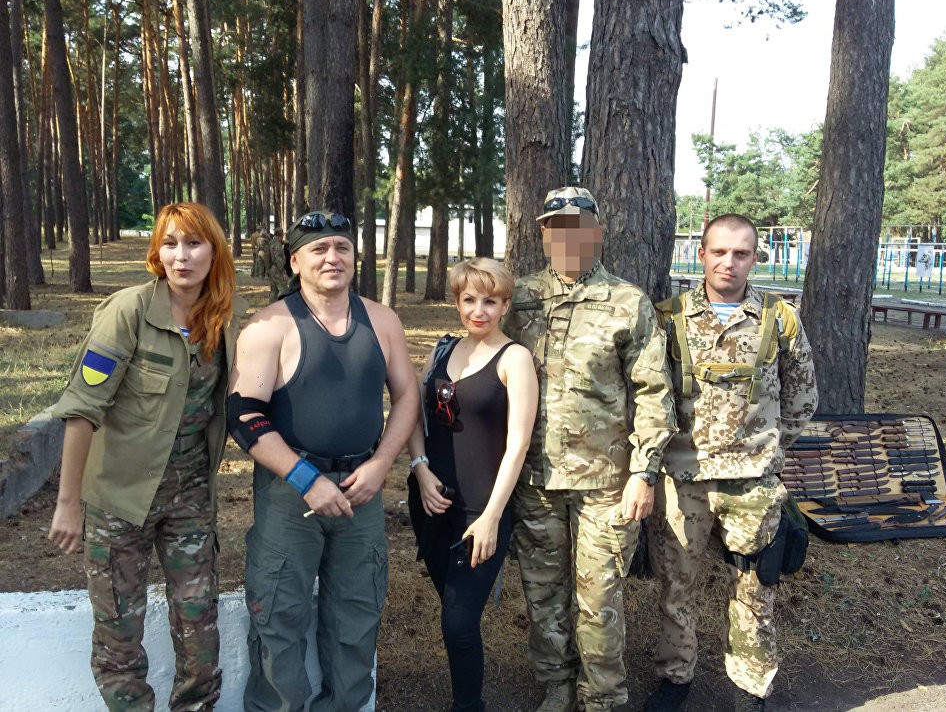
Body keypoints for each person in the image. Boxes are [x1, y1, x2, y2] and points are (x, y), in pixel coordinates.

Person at [47, 202, 246, 711]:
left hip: (190, 496)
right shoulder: (129, 310)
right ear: (157, 251)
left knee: (199, 628)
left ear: (214, 251)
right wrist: (68, 504)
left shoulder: (224, 317)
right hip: (119, 498)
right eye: (170, 243)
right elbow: (82, 409)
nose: (181, 256)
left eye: (194, 244)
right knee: (118, 635)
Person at [228, 210, 419, 711]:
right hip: (291, 493)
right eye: (318, 249)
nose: (332, 257)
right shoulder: (269, 326)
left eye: (342, 247)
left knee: (356, 616)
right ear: (295, 262)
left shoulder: (381, 320)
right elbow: (243, 416)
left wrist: (381, 465)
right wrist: (305, 478)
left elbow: (407, 397)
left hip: (362, 489)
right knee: (279, 616)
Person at [502, 186, 677, 712]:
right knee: (543, 595)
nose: (567, 238)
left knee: (598, 601)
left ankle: (602, 697)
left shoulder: (627, 301)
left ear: (597, 232)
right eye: (556, 228)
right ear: (543, 234)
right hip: (535, 480)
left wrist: (644, 472)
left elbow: (653, 391)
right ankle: (557, 685)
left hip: (607, 483)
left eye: (577, 228)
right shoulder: (520, 298)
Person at [645, 214, 818, 712]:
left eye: (741, 253)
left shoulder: (778, 319)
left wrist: (766, 450)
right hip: (684, 480)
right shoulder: (668, 318)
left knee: (755, 591)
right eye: (719, 251)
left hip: (752, 485)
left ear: (754, 258)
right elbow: (650, 396)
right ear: (701, 255)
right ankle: (676, 678)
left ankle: (750, 687)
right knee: (676, 587)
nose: (729, 262)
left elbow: (802, 397)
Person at [406, 257, 538, 712]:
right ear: (457, 302)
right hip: (432, 504)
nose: (478, 310)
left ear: (505, 306)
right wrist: (420, 469)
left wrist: (491, 518)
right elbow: (415, 414)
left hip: (480, 512)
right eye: (469, 300)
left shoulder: (515, 359)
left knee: (459, 623)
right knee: (453, 616)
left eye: (490, 301)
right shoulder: (442, 350)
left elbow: (518, 445)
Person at [266, 228, 289, 302]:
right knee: (284, 290)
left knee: (274, 291)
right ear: (281, 235)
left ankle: (271, 306)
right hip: (277, 270)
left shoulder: (271, 242)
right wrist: (283, 272)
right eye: (282, 235)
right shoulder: (277, 245)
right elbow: (278, 259)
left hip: (271, 269)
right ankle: (284, 306)